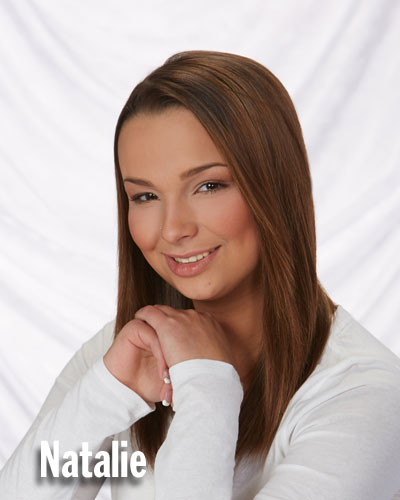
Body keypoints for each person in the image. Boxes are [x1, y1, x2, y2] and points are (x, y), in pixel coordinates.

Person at [1, 50, 400, 500]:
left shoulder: (366, 396)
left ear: (273, 185)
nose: (172, 229)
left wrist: (207, 385)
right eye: (146, 196)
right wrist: (106, 393)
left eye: (208, 186)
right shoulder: (130, 353)